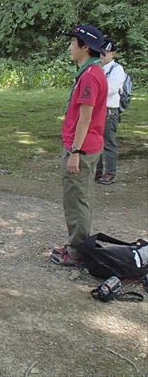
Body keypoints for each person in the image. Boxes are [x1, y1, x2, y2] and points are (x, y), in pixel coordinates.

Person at [50, 25, 108, 268]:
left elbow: (86, 117)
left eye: (73, 43)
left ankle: (77, 252)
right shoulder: (92, 72)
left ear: (85, 47)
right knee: (77, 198)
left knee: (77, 200)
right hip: (85, 146)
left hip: (82, 149)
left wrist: (75, 151)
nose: (70, 47)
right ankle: (77, 246)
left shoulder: (90, 76)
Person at [96, 38, 126, 185]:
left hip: (109, 110)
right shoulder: (97, 67)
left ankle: (110, 173)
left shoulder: (117, 69)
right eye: (100, 51)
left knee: (108, 142)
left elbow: (111, 89)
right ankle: (97, 171)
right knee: (95, 140)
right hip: (97, 109)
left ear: (112, 54)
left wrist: (95, 92)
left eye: (105, 52)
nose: (102, 54)